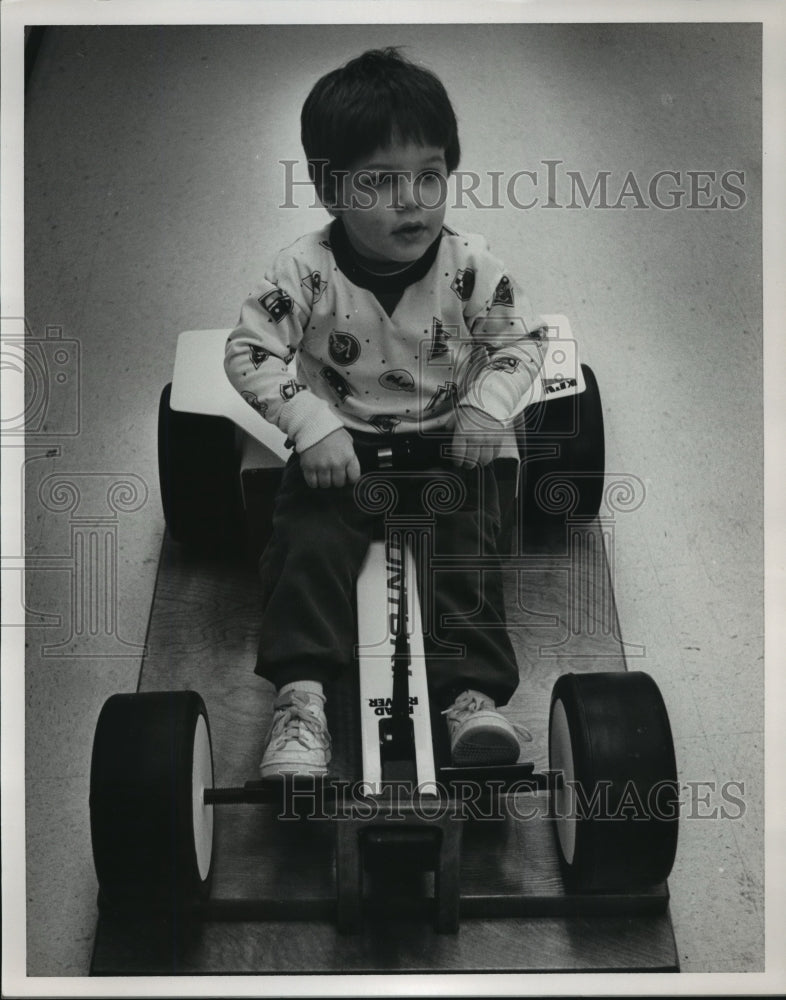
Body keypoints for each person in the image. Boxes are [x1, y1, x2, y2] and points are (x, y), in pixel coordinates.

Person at [224, 47, 547, 778]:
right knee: (305, 547)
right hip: (342, 448)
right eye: (380, 182)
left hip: (449, 444)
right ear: (328, 188)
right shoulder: (301, 272)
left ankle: (470, 699)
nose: (413, 201)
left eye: (430, 176)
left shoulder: (470, 270)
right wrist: (311, 425)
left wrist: (487, 410)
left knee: (466, 547)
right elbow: (251, 353)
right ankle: (302, 701)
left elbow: (523, 344)